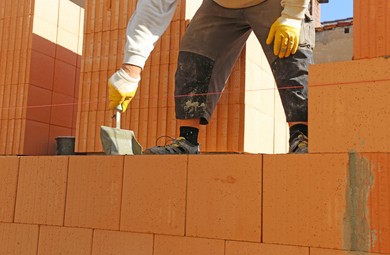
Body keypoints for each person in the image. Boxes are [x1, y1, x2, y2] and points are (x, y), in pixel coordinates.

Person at [109, 0, 314, 154]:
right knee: (194, 55)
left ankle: (301, 137)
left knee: (290, 51)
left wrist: (293, 15)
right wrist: (130, 71)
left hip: (273, 2)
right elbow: (154, 7)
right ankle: (187, 142)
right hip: (220, 4)